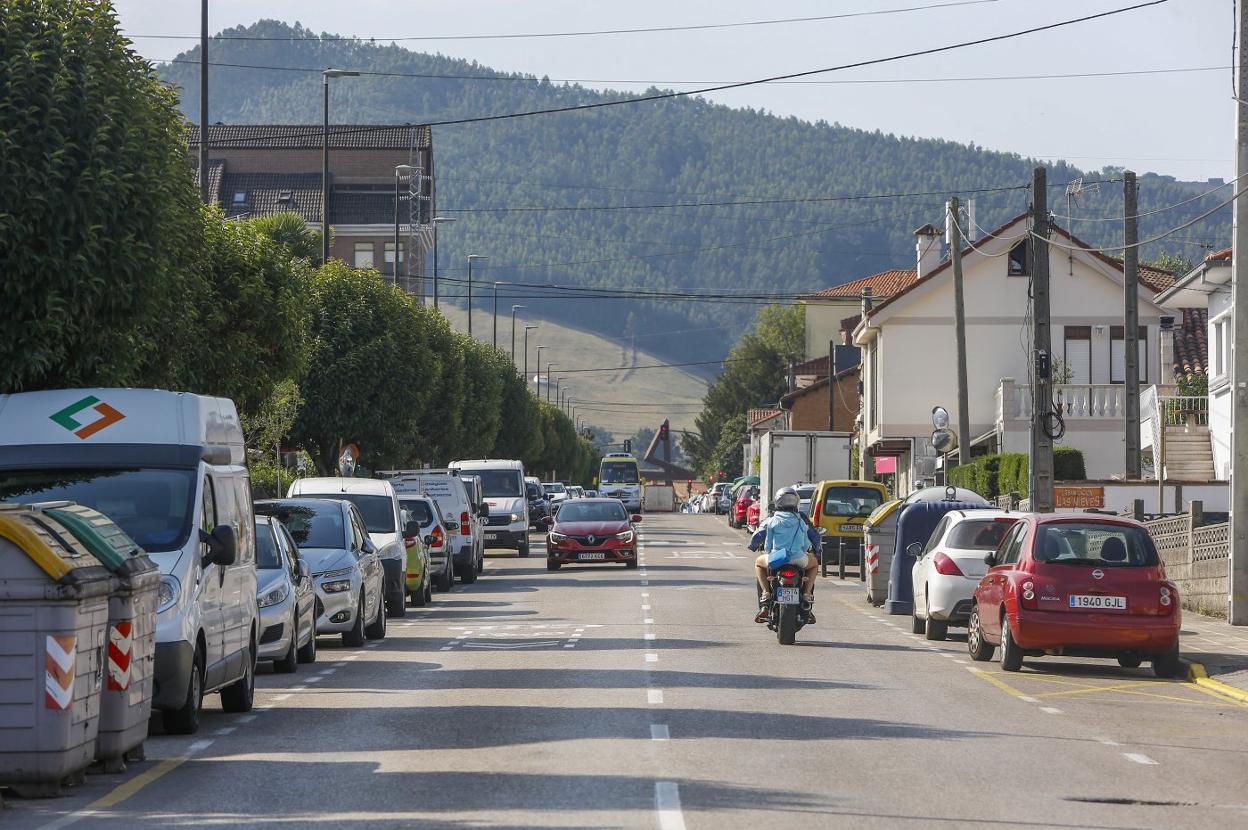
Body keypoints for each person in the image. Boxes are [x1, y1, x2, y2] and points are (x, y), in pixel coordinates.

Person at [748, 487, 819, 624]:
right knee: (814, 564)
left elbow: (762, 538)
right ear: (796, 502)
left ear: (777, 502)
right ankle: (807, 595)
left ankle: (766, 595)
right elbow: (810, 540)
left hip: (777, 559)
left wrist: (755, 547)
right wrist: (814, 550)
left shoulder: (772, 519)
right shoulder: (801, 520)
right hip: (799, 558)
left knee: (758, 563)